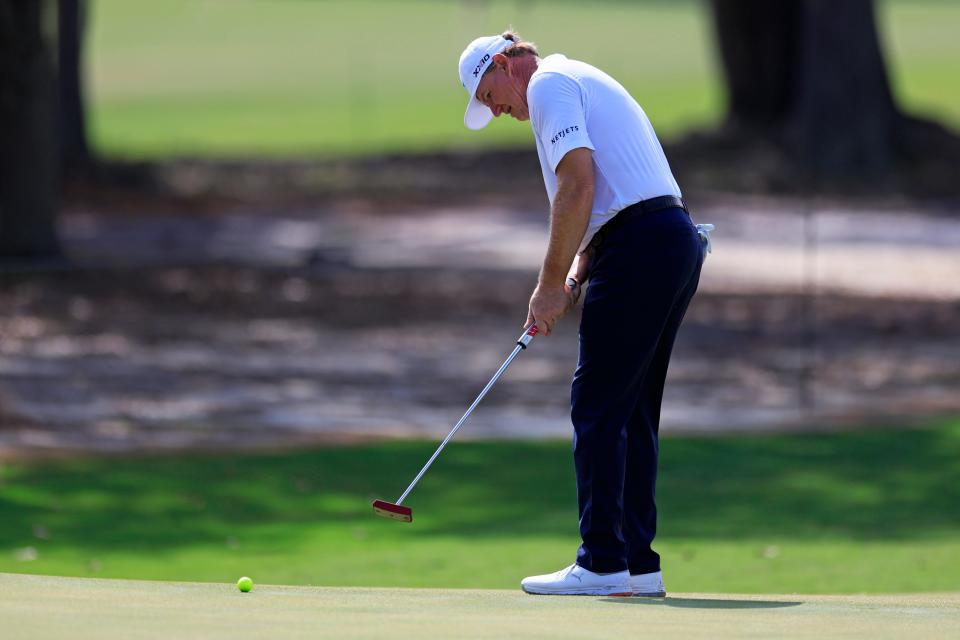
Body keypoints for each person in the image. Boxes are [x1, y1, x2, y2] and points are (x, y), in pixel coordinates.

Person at [457, 31, 711, 596]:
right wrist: (573, 275)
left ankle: (601, 562)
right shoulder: (575, 80)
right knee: (631, 411)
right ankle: (637, 568)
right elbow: (608, 205)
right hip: (669, 241)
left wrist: (547, 287)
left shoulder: (549, 84)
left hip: (642, 246)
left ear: (502, 64)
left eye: (490, 94)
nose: (496, 110)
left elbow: (577, 187)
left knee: (596, 405)